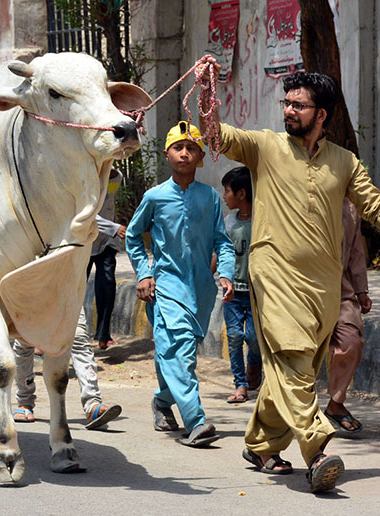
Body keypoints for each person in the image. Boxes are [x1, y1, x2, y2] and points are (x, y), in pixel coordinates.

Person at [198, 58, 380, 491]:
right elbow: (215, 134)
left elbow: (376, 207)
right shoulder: (263, 146)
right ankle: (317, 449)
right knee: (291, 357)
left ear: (321, 115)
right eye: (286, 103)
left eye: (299, 105)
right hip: (274, 274)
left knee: (296, 365)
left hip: (324, 286)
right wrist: (208, 94)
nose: (288, 111)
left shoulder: (343, 162)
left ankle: (261, 443)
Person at [126, 120, 236, 448]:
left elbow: (223, 242)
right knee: (179, 349)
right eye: (178, 148)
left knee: (177, 352)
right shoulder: (155, 197)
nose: (185, 154)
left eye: (191, 149)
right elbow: (133, 234)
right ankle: (195, 419)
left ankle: (162, 402)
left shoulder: (210, 198)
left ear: (200, 156)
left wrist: (226, 273)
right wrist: (144, 274)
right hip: (167, 286)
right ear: (167, 154)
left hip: (201, 290)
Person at [11, 308, 122, 429]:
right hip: (30, 294)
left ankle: (92, 404)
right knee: (24, 341)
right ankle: (24, 403)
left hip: (69, 292)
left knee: (78, 337)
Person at [324, 198, 372, 433]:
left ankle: (335, 403)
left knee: (351, 340)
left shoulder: (351, 209)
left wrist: (361, 290)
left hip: (340, 288)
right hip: (304, 288)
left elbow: (355, 252)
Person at [217, 166, 262, 403]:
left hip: (257, 293)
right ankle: (240, 385)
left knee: (254, 338)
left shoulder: (264, 222)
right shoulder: (228, 222)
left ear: (241, 194)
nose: (224, 196)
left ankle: (254, 363)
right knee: (234, 336)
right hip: (231, 291)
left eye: (227, 191)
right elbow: (220, 252)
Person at [87, 168, 126, 350]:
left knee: (107, 285)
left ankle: (103, 334)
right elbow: (85, 213)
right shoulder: (83, 177)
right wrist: (114, 228)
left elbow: (107, 206)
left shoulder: (115, 177)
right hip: (83, 242)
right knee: (74, 288)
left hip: (105, 242)